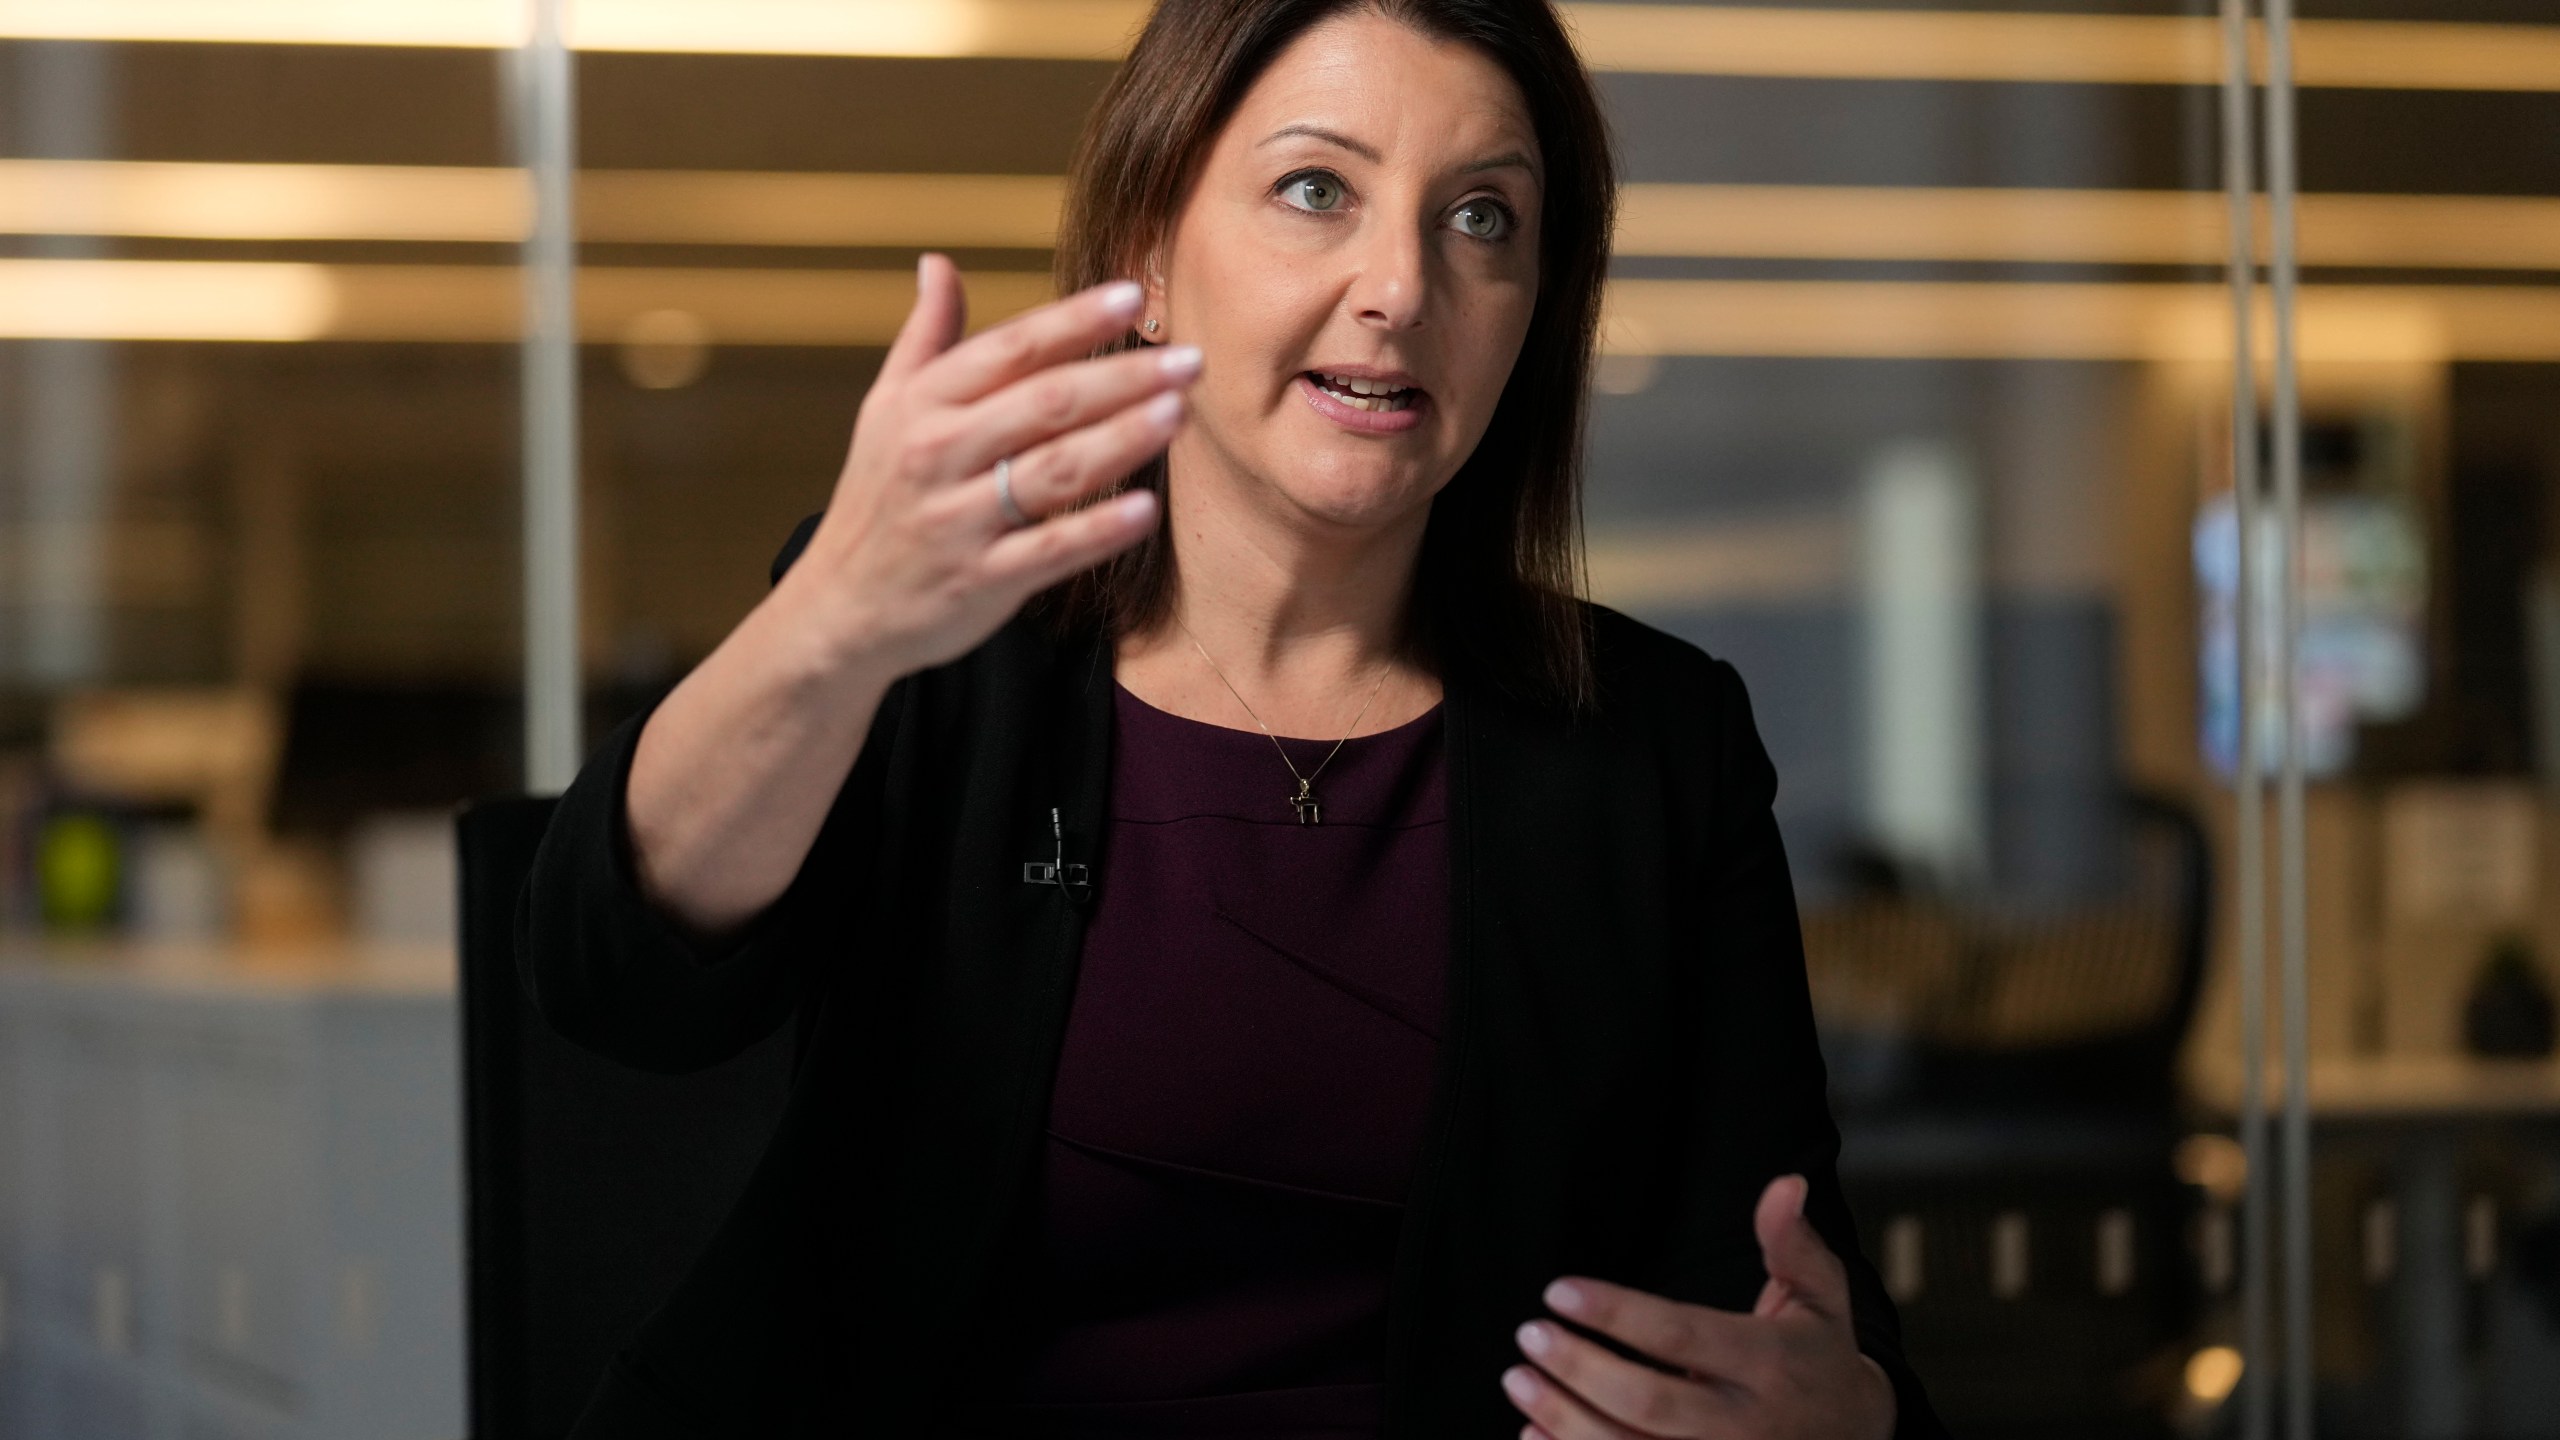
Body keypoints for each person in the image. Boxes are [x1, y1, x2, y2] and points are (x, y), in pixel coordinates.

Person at [520, 1, 1946, 1435]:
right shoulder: (939, 634)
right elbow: (609, 971)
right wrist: (830, 620)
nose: (1400, 286)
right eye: (1317, 190)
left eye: (1482, 219)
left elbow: (1786, 1288)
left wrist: (1853, 1413)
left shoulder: (1653, 742)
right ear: (1148, 251)